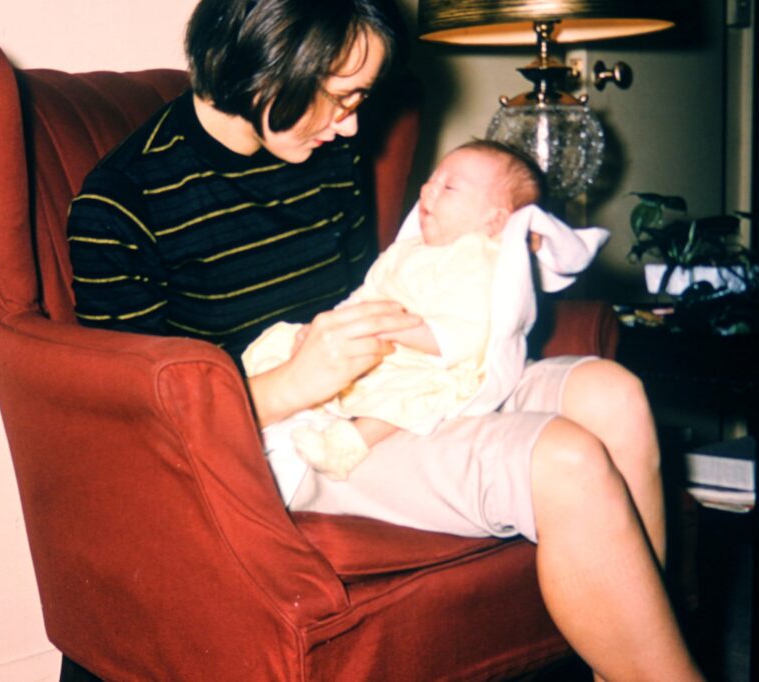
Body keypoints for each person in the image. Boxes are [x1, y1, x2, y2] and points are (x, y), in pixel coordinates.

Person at [67, 1, 704, 680]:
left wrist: (491, 271)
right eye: (342, 97)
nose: (352, 126)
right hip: (292, 437)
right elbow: (136, 434)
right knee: (566, 459)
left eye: (360, 99)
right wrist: (288, 385)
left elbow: (373, 288)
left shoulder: (320, 148)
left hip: (390, 377)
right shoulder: (122, 204)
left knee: (613, 396)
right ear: (268, 66)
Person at [241, 140, 606, 482]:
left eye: (449, 187)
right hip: (380, 346)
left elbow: (469, 335)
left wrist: (395, 329)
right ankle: (287, 410)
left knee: (410, 394)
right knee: (281, 339)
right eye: (431, 180)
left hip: (435, 363)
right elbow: (367, 293)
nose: (428, 189)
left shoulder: (482, 261)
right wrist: (332, 326)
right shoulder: (404, 251)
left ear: (494, 221)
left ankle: (347, 445)